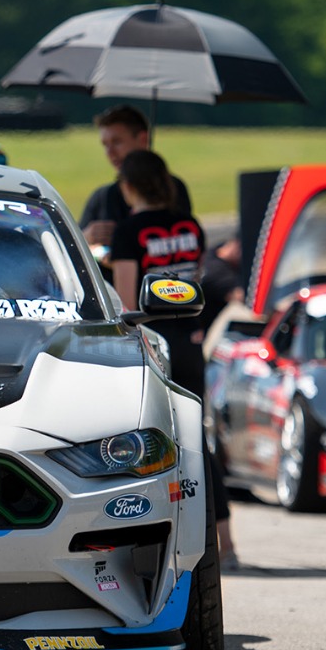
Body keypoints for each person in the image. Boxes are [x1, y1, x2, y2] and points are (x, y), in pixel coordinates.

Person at [108, 149, 236, 568]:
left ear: (128, 186)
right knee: (196, 439)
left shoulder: (131, 229)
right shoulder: (190, 225)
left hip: (153, 346)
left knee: (149, 442)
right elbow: (191, 280)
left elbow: (129, 303)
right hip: (190, 339)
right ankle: (225, 541)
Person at [78, 105, 191, 258]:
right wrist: (85, 238)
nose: (110, 153)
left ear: (143, 139)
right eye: (105, 145)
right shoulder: (102, 197)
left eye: (117, 142)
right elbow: (71, 249)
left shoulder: (172, 188)